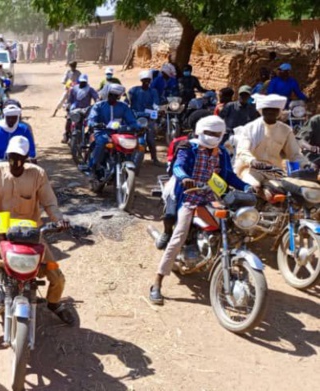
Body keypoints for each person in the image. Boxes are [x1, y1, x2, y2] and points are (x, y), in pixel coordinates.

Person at [0, 136, 75, 324]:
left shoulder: (38, 174)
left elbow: (50, 202)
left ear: (27, 158)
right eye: (12, 158)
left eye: (20, 159)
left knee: (56, 275)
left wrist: (59, 220)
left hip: (30, 233)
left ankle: (53, 303)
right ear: (6, 156)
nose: (16, 163)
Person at [149, 116, 251, 305]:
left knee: (231, 225)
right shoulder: (189, 147)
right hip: (186, 194)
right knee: (179, 235)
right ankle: (157, 282)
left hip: (210, 195)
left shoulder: (221, 151)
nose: (213, 137)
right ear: (199, 131)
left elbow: (228, 175)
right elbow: (178, 166)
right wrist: (185, 177)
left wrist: (245, 187)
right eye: (209, 133)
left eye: (217, 134)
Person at [234, 94, 313, 191]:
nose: (270, 112)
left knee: (287, 192)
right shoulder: (250, 128)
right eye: (267, 109)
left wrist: (306, 164)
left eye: (274, 109)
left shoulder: (286, 130)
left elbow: (294, 154)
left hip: (274, 171)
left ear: (279, 112)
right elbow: (242, 150)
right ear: (262, 110)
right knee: (253, 186)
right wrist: (253, 161)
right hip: (251, 169)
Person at [82, 84, 139, 181]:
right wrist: (95, 124)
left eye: (116, 96)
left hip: (119, 133)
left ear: (119, 97)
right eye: (111, 95)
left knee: (132, 143)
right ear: (107, 94)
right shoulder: (98, 106)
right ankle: (93, 167)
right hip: (102, 131)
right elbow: (92, 119)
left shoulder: (123, 107)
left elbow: (132, 120)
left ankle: (127, 162)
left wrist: (138, 127)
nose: (113, 97)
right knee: (101, 142)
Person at [128, 71, 162, 165]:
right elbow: (128, 100)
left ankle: (154, 158)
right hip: (135, 116)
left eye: (148, 80)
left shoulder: (153, 91)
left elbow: (155, 103)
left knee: (151, 138)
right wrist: (126, 103)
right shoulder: (134, 90)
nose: (146, 82)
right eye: (144, 80)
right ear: (141, 80)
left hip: (148, 117)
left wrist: (157, 109)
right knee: (129, 134)